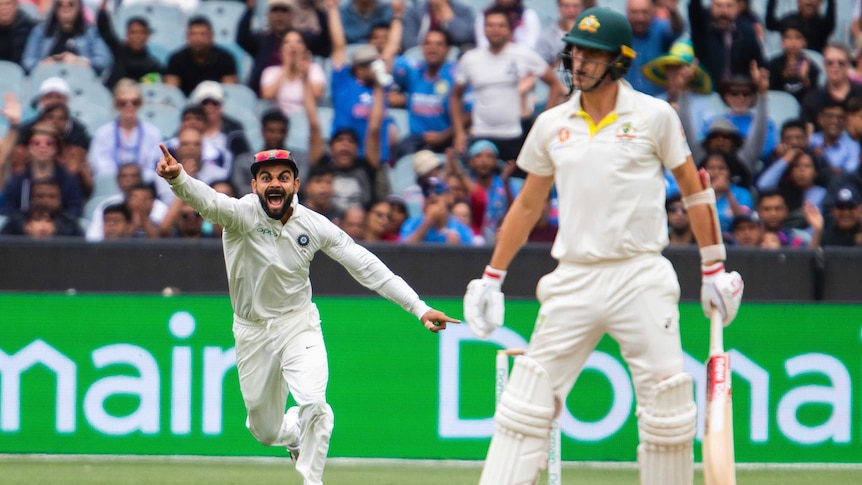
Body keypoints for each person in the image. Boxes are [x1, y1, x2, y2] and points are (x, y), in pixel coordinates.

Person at [462, 8, 744, 485]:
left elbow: (695, 190)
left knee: (667, 410)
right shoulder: (552, 123)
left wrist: (713, 268)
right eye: (576, 50)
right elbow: (528, 207)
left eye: (592, 54)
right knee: (525, 404)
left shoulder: (655, 116)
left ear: (618, 61)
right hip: (573, 276)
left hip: (640, 275)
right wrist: (492, 276)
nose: (580, 60)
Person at [155, 143, 457, 485]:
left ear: (296, 185)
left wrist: (418, 307)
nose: (275, 184)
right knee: (265, 432)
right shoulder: (240, 215)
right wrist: (178, 179)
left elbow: (365, 265)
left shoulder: (313, 225)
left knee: (314, 402)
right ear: (254, 186)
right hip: (251, 331)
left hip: (298, 324)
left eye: (284, 178)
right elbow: (208, 201)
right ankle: (293, 432)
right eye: (266, 178)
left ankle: (312, 481)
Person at [450, 5, 563, 161]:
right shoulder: (470, 59)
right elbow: (455, 96)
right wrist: (459, 132)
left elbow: (555, 84)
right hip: (482, 134)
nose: (495, 30)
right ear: (483, 29)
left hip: (516, 134)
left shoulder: (523, 55)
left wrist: (543, 121)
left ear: (510, 30)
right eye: (490, 25)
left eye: (501, 25)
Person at [89, 78, 165, 179]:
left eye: (135, 102)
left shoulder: (153, 133)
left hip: (145, 186)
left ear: (141, 104)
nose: (129, 106)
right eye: (123, 103)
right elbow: (101, 167)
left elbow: (155, 165)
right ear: (116, 105)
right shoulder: (102, 134)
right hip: (112, 186)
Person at [20, 0, 111, 74]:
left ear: (79, 7)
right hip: (49, 80)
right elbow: (27, 61)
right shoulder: (41, 31)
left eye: (71, 5)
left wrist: (79, 61)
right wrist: (43, 64)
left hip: (79, 81)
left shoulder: (91, 32)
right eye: (60, 5)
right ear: (55, 8)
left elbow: (103, 61)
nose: (65, 9)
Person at [688, 0, 764, 84]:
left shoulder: (747, 32)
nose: (724, 12)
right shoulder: (701, 28)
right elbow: (694, 8)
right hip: (707, 92)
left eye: (729, 6)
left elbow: (760, 65)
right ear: (711, 7)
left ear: (737, 8)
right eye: (719, 6)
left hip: (738, 91)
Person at [164, 16, 238, 97]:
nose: (198, 39)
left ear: (211, 36)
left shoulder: (225, 59)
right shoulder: (176, 59)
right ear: (187, 37)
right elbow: (171, 93)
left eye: (202, 34)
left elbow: (229, 93)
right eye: (193, 34)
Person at [236, 0, 298, 97]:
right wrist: (250, 10)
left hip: (293, 95)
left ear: (291, 16)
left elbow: (323, 44)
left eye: (284, 11)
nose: (279, 15)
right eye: (275, 11)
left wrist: (319, 9)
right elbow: (242, 38)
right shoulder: (261, 40)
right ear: (268, 16)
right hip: (263, 96)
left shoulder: (300, 41)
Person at [260, 29, 326, 116]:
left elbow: (317, 94)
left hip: (306, 119)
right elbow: (267, 95)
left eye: (298, 42)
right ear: (280, 51)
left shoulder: (314, 69)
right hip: (281, 122)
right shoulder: (270, 72)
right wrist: (286, 68)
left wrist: (305, 76)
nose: (293, 46)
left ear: (305, 50)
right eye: (287, 42)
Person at [624, 0, 683, 96]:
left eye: (645, 12)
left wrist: (672, 10)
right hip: (627, 97)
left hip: (657, 98)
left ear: (653, 11)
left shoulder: (661, 27)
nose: (640, 18)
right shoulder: (620, 30)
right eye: (634, 12)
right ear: (627, 12)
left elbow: (676, 29)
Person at [766, 17, 820, 104]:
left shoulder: (811, 67)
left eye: (798, 38)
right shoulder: (773, 64)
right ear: (782, 41)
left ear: (804, 42)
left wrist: (805, 80)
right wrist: (782, 76)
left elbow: (815, 97)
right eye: (788, 37)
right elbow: (770, 94)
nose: (793, 42)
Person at [400, 0, 475, 52]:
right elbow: (408, 44)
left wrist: (444, 8)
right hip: (421, 56)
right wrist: (432, 47)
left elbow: (464, 38)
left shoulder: (464, 10)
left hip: (453, 57)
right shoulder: (414, 12)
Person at [765, 0, 835, 54]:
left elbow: (831, 18)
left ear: (820, 3)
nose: (809, 1)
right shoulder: (789, 20)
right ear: (798, 2)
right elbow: (770, 25)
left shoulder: (824, 24)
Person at [473, 0, 542, 51]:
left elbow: (531, 45)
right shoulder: (485, 15)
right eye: (491, 25)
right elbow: (482, 43)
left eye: (501, 26)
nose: (496, 29)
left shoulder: (528, 15)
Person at [535, 0, 583, 66]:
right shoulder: (546, 37)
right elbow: (541, 70)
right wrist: (571, 38)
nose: (571, 11)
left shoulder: (590, 34)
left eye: (576, 6)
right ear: (559, 8)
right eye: (566, 6)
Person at [0, 0, 38, 65]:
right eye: (0, 5)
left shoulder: (31, 27)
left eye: (8, 4)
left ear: (16, 6)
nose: (4, 8)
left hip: (23, 71)